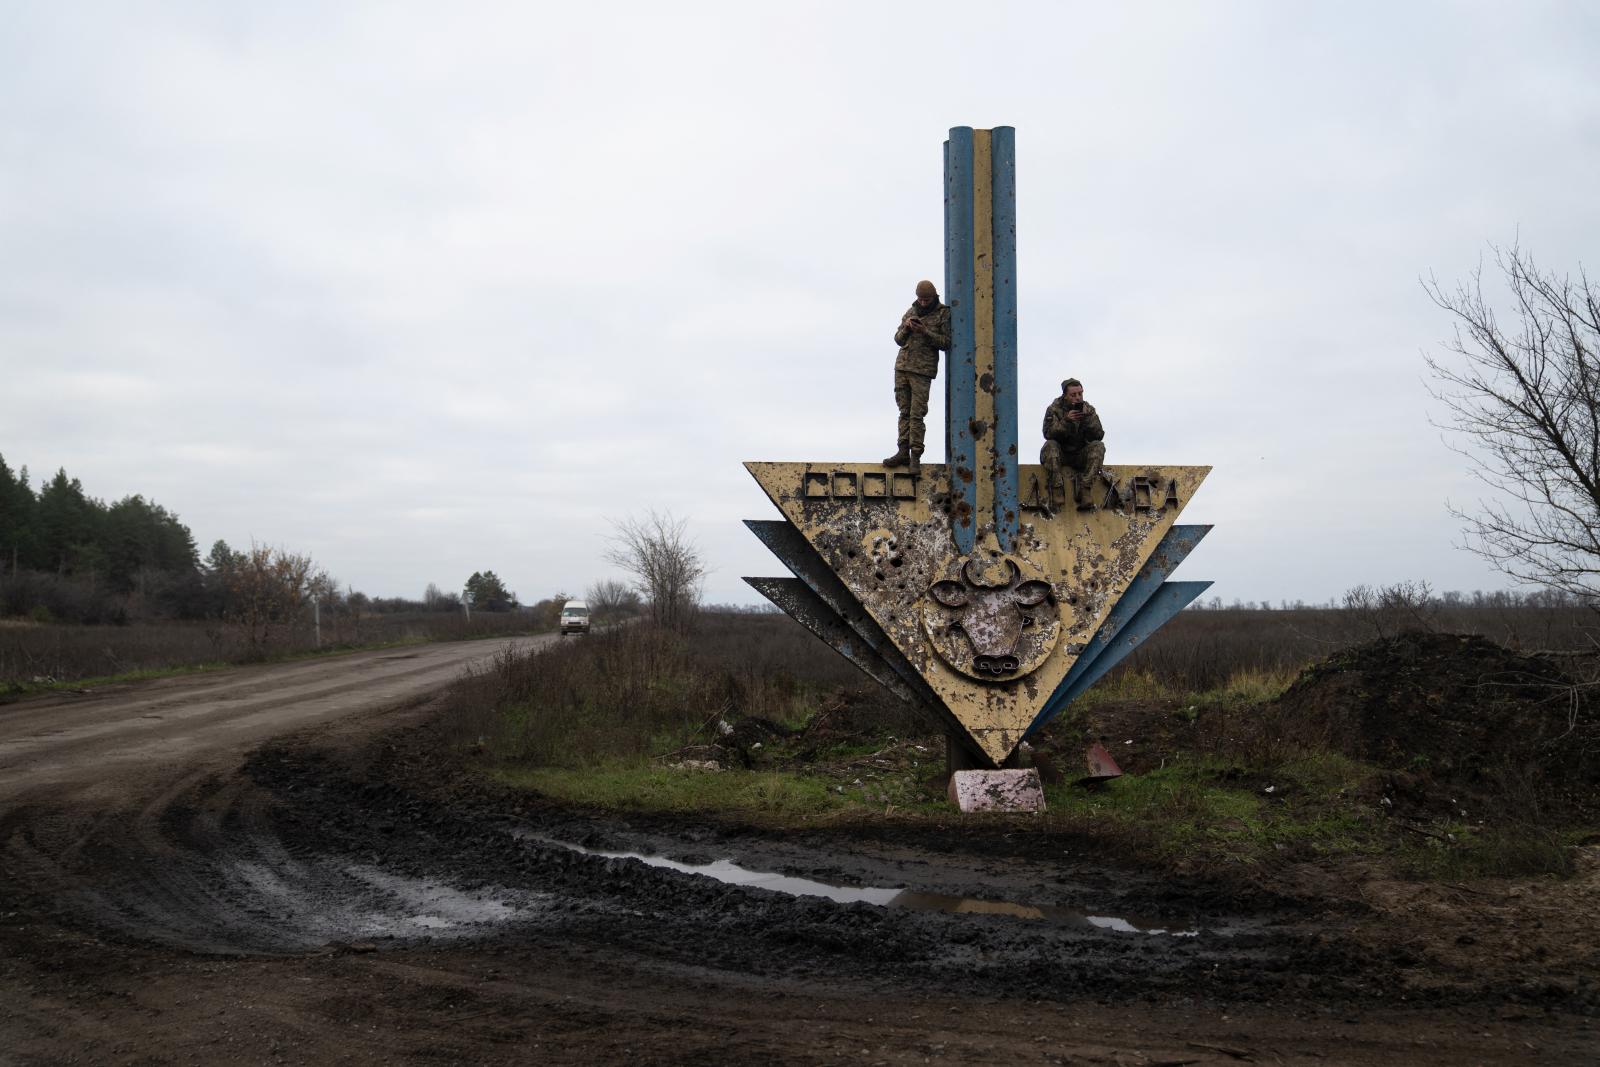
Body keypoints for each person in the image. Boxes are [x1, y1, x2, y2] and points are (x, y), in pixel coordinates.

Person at [884, 279, 951, 475]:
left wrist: (925, 331)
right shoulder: (911, 311)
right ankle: (902, 450)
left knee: (917, 414)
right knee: (904, 411)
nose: (922, 303)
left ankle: (915, 456)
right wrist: (906, 327)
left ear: (934, 297)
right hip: (903, 367)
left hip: (922, 371)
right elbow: (897, 339)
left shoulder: (943, 314)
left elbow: (946, 342)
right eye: (920, 299)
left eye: (926, 299)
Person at [1040, 378, 1105, 514]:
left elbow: (1098, 435)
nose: (1078, 398)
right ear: (1065, 396)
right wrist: (1066, 421)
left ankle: (1084, 488)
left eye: (1080, 394)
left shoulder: (1088, 410)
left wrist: (1087, 419)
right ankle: (1057, 488)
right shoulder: (1054, 409)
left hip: (1080, 454)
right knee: (1050, 446)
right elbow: (1048, 434)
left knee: (1098, 446)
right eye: (1073, 395)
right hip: (1060, 454)